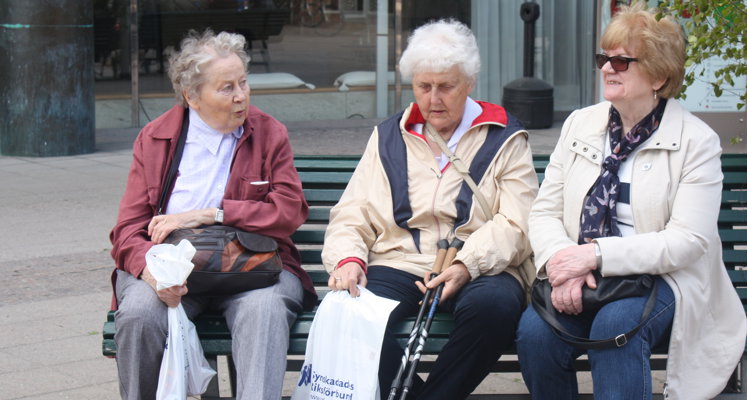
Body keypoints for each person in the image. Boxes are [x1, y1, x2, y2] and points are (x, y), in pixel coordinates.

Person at [515, 3, 747, 399]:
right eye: (604, 58)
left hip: (664, 280)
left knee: (615, 328)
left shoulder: (696, 141)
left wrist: (595, 255)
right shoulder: (579, 124)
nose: (607, 68)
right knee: (536, 335)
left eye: (622, 62)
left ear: (658, 75)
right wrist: (561, 262)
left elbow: (687, 241)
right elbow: (545, 210)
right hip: (582, 276)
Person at [322, 19, 538, 400]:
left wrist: (466, 265)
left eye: (446, 87)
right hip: (400, 259)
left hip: (480, 264)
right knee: (349, 313)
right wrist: (348, 259)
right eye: (424, 86)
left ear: (469, 82)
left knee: (495, 309)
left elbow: (517, 223)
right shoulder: (389, 135)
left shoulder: (506, 135)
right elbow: (353, 211)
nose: (433, 99)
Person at [109, 30, 316, 400]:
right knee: (140, 313)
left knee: (265, 311)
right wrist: (150, 273)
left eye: (243, 82)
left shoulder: (268, 133)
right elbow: (127, 228)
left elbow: (289, 210)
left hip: (255, 268)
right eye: (226, 88)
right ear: (192, 96)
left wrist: (213, 214)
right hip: (176, 270)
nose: (241, 96)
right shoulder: (156, 138)